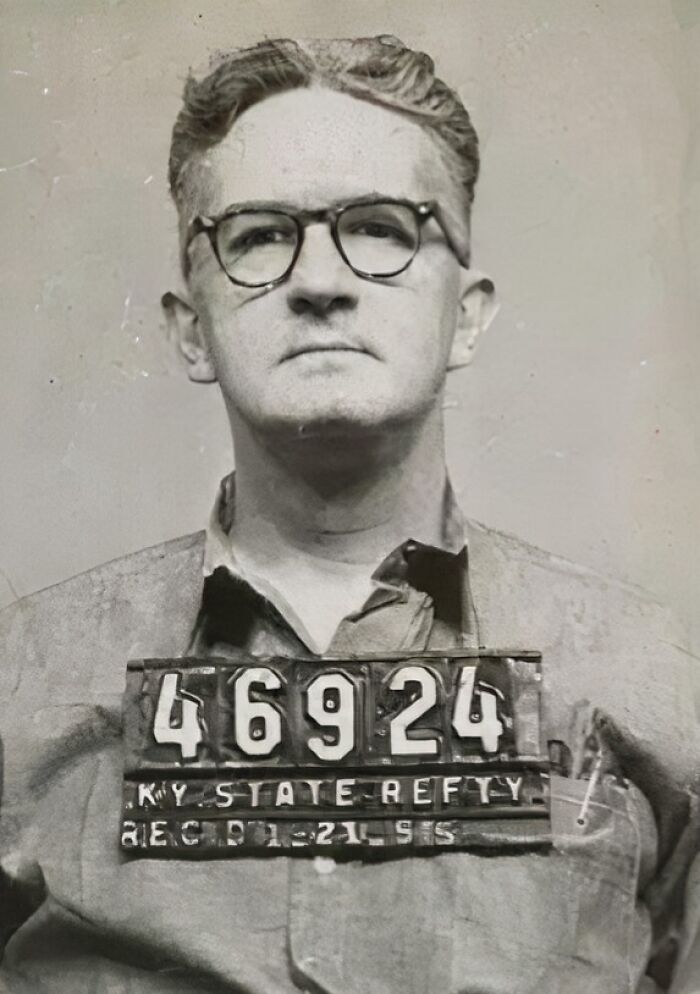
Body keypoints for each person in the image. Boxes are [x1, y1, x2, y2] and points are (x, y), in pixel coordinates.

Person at [0, 35, 698, 994]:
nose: (319, 283)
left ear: (470, 315)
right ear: (188, 328)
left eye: (380, 228)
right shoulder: (19, 685)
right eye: (255, 235)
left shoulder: (659, 686)